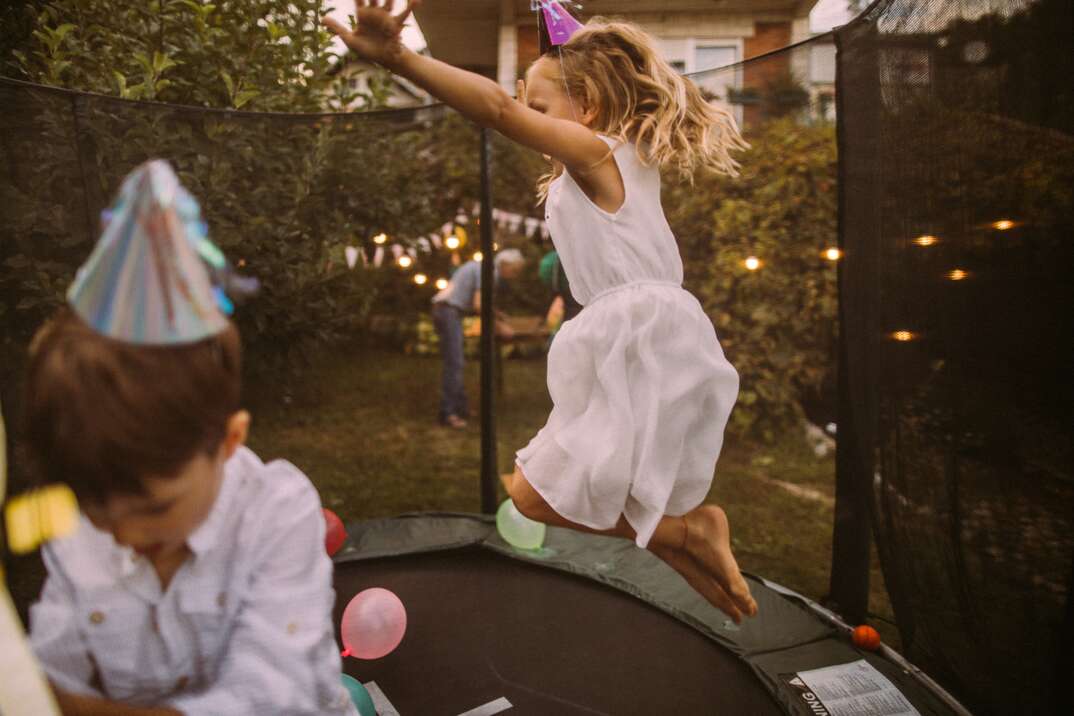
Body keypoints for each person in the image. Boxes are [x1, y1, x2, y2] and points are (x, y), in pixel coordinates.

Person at [324, 1, 757, 621]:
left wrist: (400, 58)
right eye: (529, 106)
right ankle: (692, 547)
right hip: (631, 331)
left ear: (591, 107)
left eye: (541, 107)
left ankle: (690, 533)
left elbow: (495, 110)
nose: (528, 119)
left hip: (639, 332)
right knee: (589, 494)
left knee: (532, 495)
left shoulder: (599, 154)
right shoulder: (588, 170)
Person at [24, 161, 357, 715]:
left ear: (230, 441)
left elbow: (274, 695)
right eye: (99, 512)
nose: (124, 535)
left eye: (154, 507)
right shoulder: (78, 518)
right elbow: (52, 675)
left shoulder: (277, 511)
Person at [431, 249, 525, 428]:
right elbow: (479, 305)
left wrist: (497, 314)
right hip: (448, 311)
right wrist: (499, 326)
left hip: (444, 309)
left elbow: (481, 301)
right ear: (505, 264)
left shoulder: (481, 267)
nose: (514, 276)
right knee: (455, 363)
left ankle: (461, 407)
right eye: (514, 270)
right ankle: (447, 413)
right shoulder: (489, 271)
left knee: (456, 361)